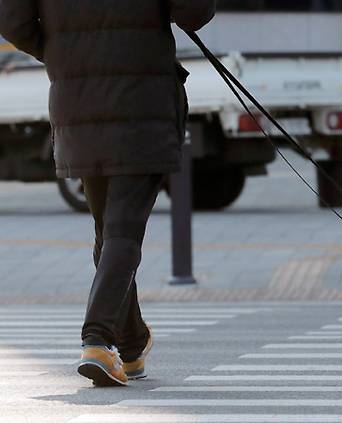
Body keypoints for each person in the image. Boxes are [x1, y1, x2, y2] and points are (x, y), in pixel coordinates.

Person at [0, 0, 216, 386]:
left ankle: (132, 344)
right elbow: (194, 12)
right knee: (121, 233)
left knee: (108, 235)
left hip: (77, 102)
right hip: (142, 102)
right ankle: (97, 340)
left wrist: (61, 51)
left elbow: (12, 20)